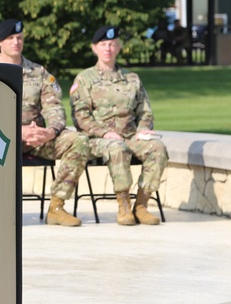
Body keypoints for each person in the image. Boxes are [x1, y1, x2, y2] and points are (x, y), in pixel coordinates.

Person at [0, 18, 89, 227]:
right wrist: (16, 131)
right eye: (10, 38)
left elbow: (54, 107)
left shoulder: (39, 73)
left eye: (19, 38)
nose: (15, 42)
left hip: (39, 137)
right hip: (0, 139)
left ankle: (56, 207)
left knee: (78, 140)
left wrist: (50, 132)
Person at [69, 25, 168, 226]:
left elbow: (145, 111)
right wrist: (104, 133)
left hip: (130, 136)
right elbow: (80, 117)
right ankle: (123, 206)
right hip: (98, 140)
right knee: (118, 148)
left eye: (112, 44)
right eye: (103, 44)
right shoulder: (85, 79)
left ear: (119, 48)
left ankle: (141, 205)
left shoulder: (132, 79)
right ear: (94, 48)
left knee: (158, 149)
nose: (108, 48)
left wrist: (143, 130)